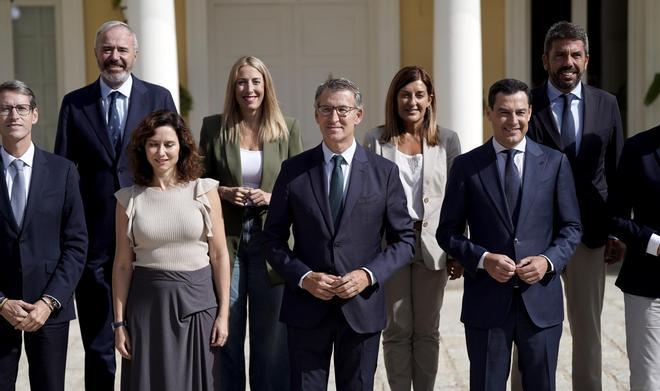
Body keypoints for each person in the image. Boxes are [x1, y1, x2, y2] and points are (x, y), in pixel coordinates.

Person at [261, 77, 415, 390]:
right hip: (306, 307)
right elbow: (272, 240)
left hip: (362, 307)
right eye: (326, 110)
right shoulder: (293, 170)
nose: (335, 118)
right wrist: (304, 277)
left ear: (359, 115)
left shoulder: (384, 172)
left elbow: (405, 241)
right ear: (315, 115)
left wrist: (368, 274)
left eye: (343, 110)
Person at [54, 20, 177, 390]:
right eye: (107, 49)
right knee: (99, 344)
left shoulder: (159, 98)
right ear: (96, 54)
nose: (115, 57)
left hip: (149, 240)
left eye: (122, 50)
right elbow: (64, 170)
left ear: (135, 55)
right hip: (95, 241)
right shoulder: (75, 105)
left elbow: (177, 160)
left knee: (147, 342)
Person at [437, 79, 582, 390]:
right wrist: (483, 259)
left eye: (519, 112)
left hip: (540, 301)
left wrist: (547, 260)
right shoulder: (466, 166)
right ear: (489, 113)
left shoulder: (555, 163)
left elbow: (571, 228)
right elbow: (447, 232)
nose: (512, 121)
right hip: (487, 303)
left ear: (530, 113)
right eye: (503, 112)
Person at [519, 21, 623, 391]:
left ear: (586, 59)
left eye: (575, 54)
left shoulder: (607, 104)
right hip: (535, 237)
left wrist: (616, 229)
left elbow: (615, 172)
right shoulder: (525, 105)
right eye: (560, 54)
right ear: (545, 59)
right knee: (530, 330)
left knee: (588, 332)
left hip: (591, 234)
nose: (568, 61)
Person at [199, 55, 303, 391]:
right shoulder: (214, 127)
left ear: (266, 86)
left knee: (271, 336)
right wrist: (224, 191)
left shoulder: (287, 128)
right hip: (227, 240)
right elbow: (197, 182)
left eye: (255, 81)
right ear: (233, 87)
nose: (249, 89)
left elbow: (300, 188)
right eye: (242, 82)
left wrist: (272, 198)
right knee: (225, 329)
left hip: (271, 241)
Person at [112, 110, 231, 390]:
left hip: (198, 307)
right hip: (147, 312)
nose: (161, 152)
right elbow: (122, 265)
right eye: (153, 144)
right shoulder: (128, 199)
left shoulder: (204, 190)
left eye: (169, 144)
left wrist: (224, 315)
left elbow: (220, 255)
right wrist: (119, 325)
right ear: (143, 149)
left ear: (182, 146)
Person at [363, 65, 462, 391]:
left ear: (430, 98)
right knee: (396, 328)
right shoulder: (375, 140)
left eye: (419, 94)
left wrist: (458, 247)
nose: (412, 101)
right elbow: (364, 197)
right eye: (405, 95)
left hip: (433, 244)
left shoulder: (447, 140)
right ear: (395, 99)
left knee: (426, 330)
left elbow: (457, 198)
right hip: (390, 244)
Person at [0, 80, 87, 391]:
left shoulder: (62, 171)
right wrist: (1, 303)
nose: (14, 115)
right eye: (5, 108)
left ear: (34, 115)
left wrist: (49, 303)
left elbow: (76, 244)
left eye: (21, 108)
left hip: (49, 308)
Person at [606, 125, 660, 390]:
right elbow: (615, 216)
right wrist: (655, 244)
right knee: (647, 378)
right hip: (647, 284)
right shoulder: (637, 148)